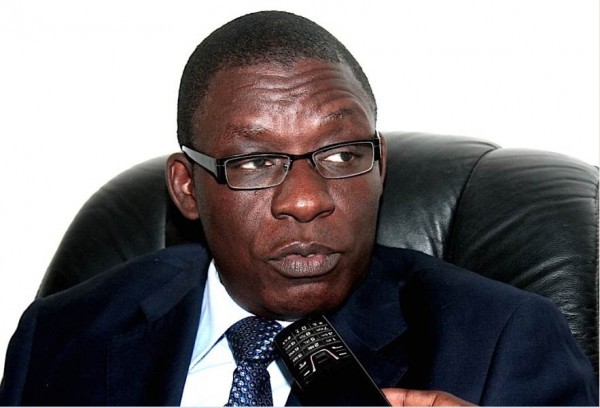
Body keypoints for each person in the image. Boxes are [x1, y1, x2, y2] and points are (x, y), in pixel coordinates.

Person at [0, 10, 597, 406]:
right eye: (255, 162)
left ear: (380, 166)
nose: (306, 200)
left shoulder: (502, 343)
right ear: (186, 188)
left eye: (340, 155)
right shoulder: (58, 339)